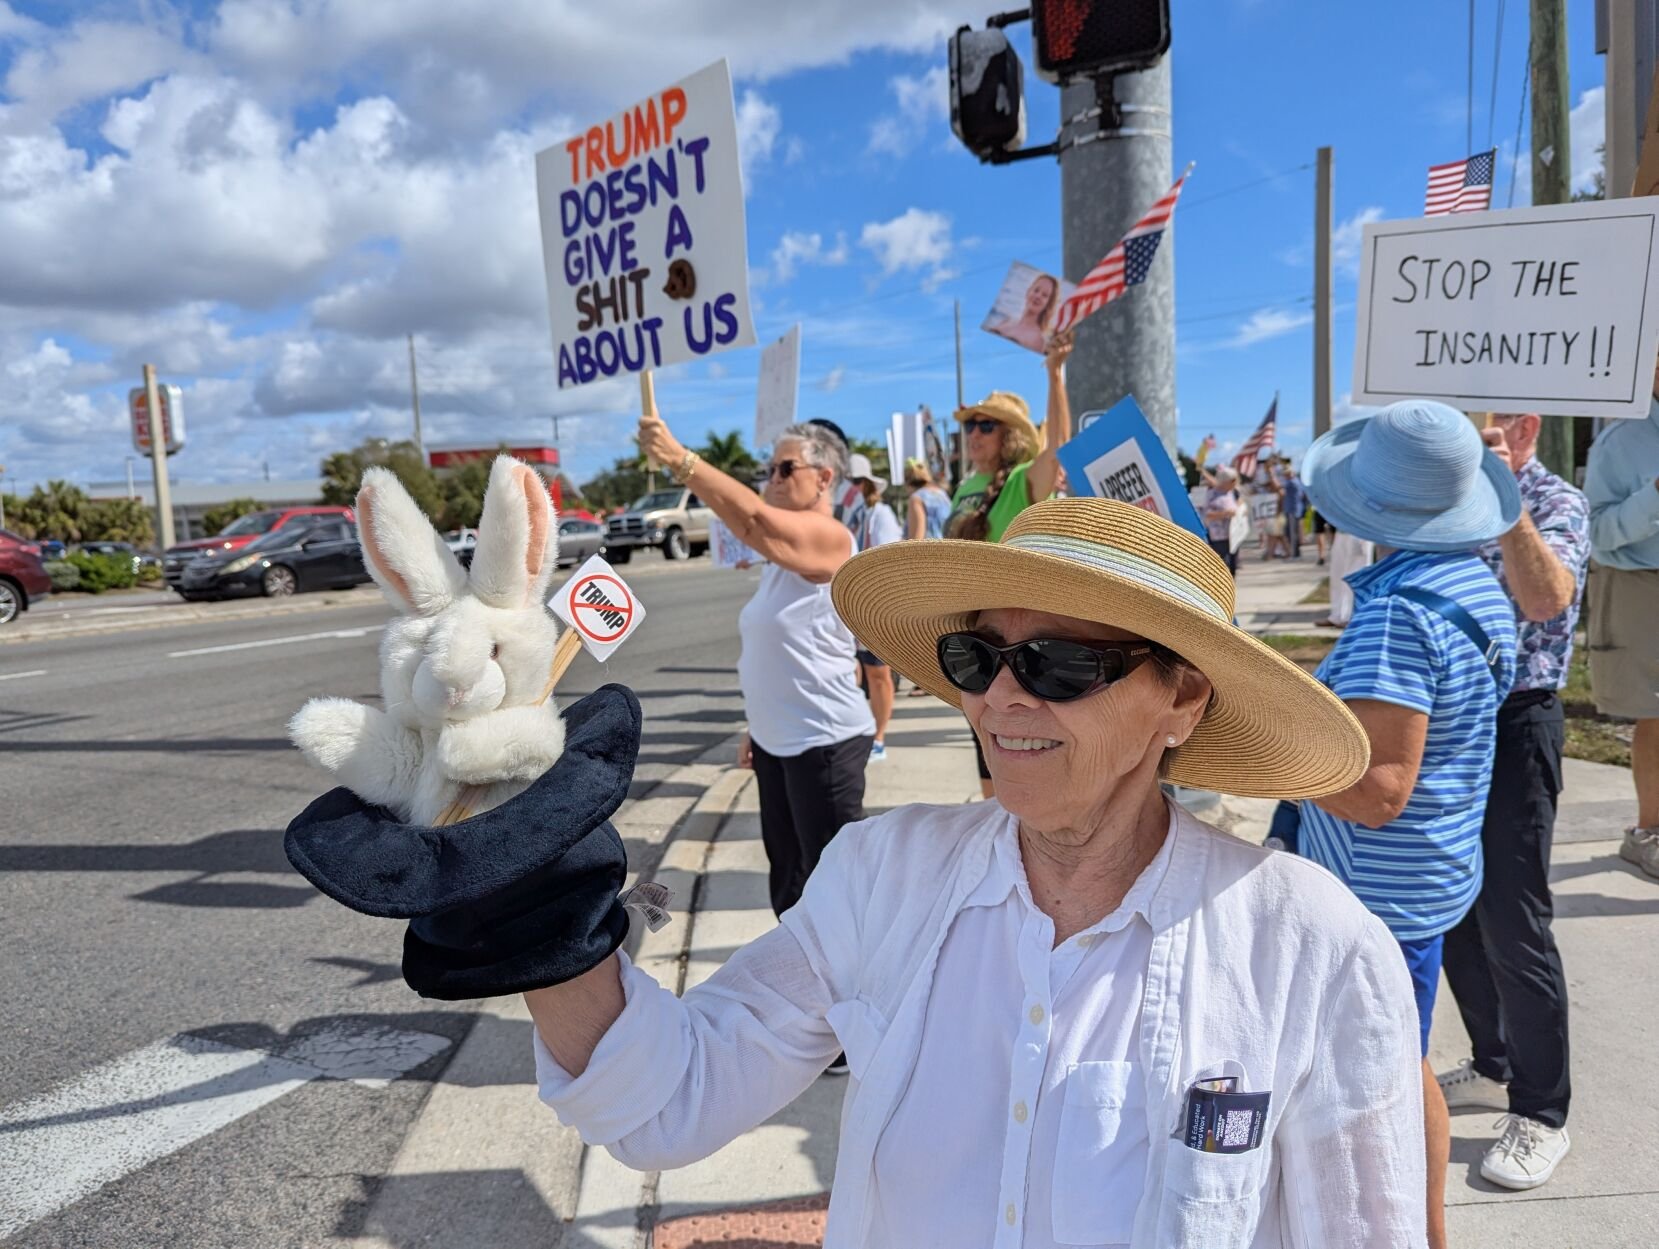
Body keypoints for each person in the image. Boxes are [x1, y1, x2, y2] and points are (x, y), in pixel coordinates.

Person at [527, 498, 1427, 1247]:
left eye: (1060, 662)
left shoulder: (1312, 946)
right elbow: (669, 1098)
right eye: (977, 656)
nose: (1000, 696)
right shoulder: (880, 875)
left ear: (1182, 699)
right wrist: (533, 901)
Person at [1299, 399, 1520, 1249]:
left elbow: (1379, 787)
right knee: (1398, 1059)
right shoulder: (1473, 581)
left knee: (1389, 1072)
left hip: (1378, 888)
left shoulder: (1398, 610)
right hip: (1430, 866)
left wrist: (1270, 747)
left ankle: (1420, 1232)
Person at [637, 408, 874, 923]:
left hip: (824, 744)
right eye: (769, 469)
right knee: (789, 891)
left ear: (825, 477)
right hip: (779, 743)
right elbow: (777, 652)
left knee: (835, 901)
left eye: (785, 469)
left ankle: (848, 998)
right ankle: (799, 994)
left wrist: (680, 459)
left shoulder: (830, 538)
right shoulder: (779, 562)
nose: (772, 478)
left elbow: (756, 522)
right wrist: (756, 726)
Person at [1435, 411, 1588, 1192]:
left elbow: (1545, 599)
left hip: (1517, 716)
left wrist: (1503, 498)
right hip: (1449, 717)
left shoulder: (1555, 499)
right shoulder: (1443, 495)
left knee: (1511, 914)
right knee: (1452, 904)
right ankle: (1493, 1062)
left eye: (1480, 421)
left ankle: (1540, 1111)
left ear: (1520, 425)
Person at [949, 332, 1073, 797]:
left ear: (1010, 435)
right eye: (971, 425)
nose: (974, 434)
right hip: (975, 634)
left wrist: (1055, 373)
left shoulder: (1022, 479)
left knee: (1020, 745)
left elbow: (1058, 446)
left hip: (1017, 633)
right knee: (987, 747)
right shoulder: (964, 487)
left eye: (986, 425)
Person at [1583, 369, 1659, 880]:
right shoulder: (1619, 440)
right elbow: (1597, 532)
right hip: (1642, 586)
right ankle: (1648, 833)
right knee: (1654, 714)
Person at [849, 453, 903, 762]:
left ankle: (878, 737)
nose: (852, 488)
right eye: (849, 482)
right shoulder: (849, 515)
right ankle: (868, 731)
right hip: (849, 605)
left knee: (878, 673)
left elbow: (886, 558)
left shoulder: (879, 514)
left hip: (871, 604)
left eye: (857, 481)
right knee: (859, 670)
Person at [1315, 523, 1374, 629]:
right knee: (1337, 574)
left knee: (1355, 574)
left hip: (1361, 529)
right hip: (1342, 528)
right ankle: (1337, 615)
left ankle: (1351, 616)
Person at [990, 271, 1060, 353]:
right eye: (1036, 290)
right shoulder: (1006, 321)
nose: (1038, 296)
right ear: (1028, 292)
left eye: (1044, 295)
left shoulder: (1038, 340)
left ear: (1048, 304)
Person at [1200, 464, 1241, 574]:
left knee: (1233, 566)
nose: (1235, 483)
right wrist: (1225, 513)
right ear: (1226, 481)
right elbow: (1207, 514)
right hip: (1219, 536)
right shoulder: (1212, 494)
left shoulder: (1230, 492)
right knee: (1223, 566)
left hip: (1233, 534)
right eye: (1233, 480)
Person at [904, 457, 952, 541]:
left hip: (929, 552)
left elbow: (916, 540)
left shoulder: (916, 499)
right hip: (949, 551)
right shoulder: (943, 495)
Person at [1279, 462, 1309, 559]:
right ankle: (1296, 552)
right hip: (1295, 510)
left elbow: (1279, 489)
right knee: (1293, 532)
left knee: (1292, 534)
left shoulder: (1292, 482)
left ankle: (1294, 553)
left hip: (1292, 510)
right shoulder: (1297, 481)